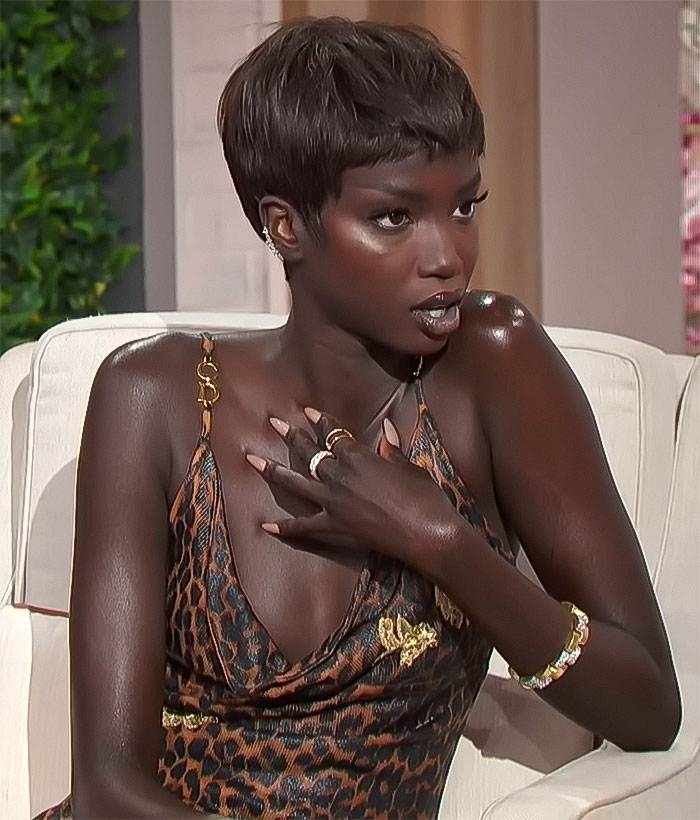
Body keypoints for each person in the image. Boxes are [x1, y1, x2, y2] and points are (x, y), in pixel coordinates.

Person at [36, 17, 680, 820]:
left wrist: (444, 543)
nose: (449, 255)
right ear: (286, 226)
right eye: (394, 218)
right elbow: (106, 787)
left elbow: (649, 709)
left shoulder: (494, 368)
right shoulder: (154, 396)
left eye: (465, 206)